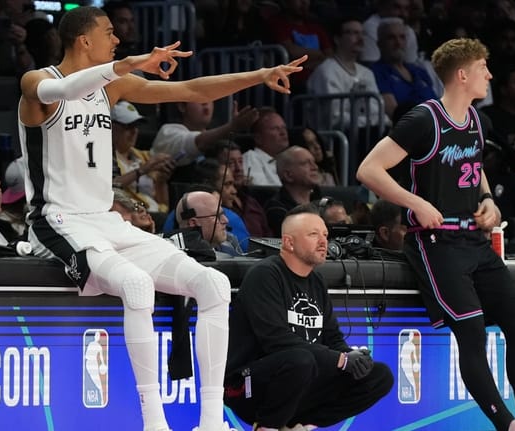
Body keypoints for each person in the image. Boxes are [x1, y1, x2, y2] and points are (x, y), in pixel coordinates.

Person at [16, 6, 306, 431]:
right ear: (84, 40)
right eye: (110, 32)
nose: (117, 40)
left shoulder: (110, 88)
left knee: (214, 282)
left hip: (104, 220)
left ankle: (210, 422)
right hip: (57, 220)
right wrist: (125, 65)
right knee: (135, 285)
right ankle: (154, 422)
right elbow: (59, 92)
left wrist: (258, 75)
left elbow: (190, 90)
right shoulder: (36, 81)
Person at [356, 38, 515, 431]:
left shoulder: (476, 120)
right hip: (435, 242)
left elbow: (473, 166)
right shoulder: (423, 119)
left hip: (474, 240)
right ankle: (507, 423)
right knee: (472, 331)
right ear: (463, 75)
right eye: (483, 68)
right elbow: (369, 170)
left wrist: (487, 200)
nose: (490, 75)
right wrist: (416, 202)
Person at [223, 205, 394, 431]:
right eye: (313, 235)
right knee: (300, 359)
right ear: (289, 242)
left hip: (300, 381)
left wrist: (353, 357)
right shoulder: (265, 274)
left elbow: (332, 338)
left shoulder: (316, 281)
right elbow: (277, 340)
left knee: (379, 376)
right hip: (246, 386)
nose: (323, 241)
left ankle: (301, 426)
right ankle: (267, 427)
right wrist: (341, 360)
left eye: (325, 234)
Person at [264, 146, 321, 236]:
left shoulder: (322, 201)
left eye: (313, 162)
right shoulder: (277, 210)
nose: (315, 167)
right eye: (305, 163)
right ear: (288, 175)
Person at [175, 190, 242, 256]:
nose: (226, 220)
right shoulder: (178, 256)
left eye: (223, 214)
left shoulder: (230, 249)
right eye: (217, 216)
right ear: (193, 223)